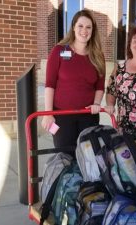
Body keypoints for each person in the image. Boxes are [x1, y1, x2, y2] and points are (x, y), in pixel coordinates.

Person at [41, 9, 105, 154]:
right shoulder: (58, 51)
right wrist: (48, 113)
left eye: (88, 27)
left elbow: (100, 86)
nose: (84, 30)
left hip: (88, 116)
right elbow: (50, 84)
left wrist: (96, 104)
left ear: (93, 31)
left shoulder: (97, 56)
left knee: (89, 157)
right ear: (73, 27)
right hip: (61, 117)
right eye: (80, 26)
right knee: (65, 156)